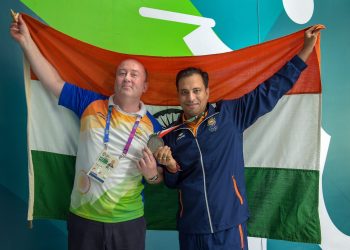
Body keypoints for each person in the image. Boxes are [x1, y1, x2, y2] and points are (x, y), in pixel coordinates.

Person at [152, 25, 324, 250]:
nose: (191, 97)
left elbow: (270, 90)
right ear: (178, 96)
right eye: (184, 92)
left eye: (196, 90)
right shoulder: (171, 135)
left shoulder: (230, 114)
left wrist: (304, 53)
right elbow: (173, 183)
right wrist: (171, 166)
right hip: (192, 228)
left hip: (230, 224)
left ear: (207, 92)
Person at [10, 14, 162, 250]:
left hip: (128, 222)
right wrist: (26, 42)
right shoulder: (90, 103)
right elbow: (53, 82)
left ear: (144, 86)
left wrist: (152, 174)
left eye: (134, 74)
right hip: (84, 219)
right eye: (122, 73)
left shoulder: (154, 127)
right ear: (115, 81)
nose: (127, 78)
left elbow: (159, 178)